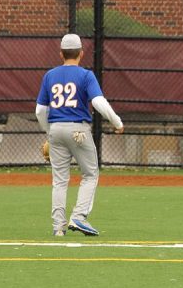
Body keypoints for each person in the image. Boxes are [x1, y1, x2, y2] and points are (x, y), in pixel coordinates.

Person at [36, 34, 124, 237]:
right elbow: (99, 103)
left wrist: (49, 133)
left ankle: (59, 227)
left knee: (59, 180)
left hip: (56, 129)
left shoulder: (49, 75)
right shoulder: (85, 75)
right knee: (90, 174)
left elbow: (40, 111)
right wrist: (117, 122)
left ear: (61, 54)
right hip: (78, 129)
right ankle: (79, 216)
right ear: (81, 53)